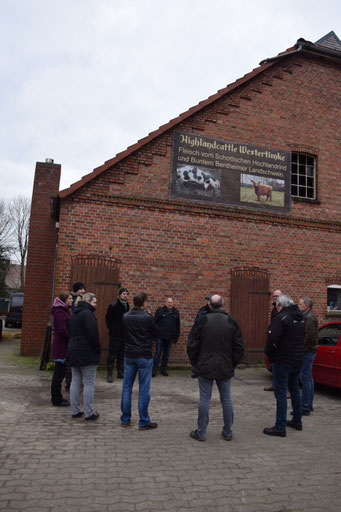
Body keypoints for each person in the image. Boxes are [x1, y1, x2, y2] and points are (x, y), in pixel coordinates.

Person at [187, 294, 244, 442]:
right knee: (226, 399)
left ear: (210, 305)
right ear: (222, 305)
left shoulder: (202, 320)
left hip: (205, 365)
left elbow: (192, 344)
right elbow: (239, 347)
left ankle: (201, 432)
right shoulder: (231, 322)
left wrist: (195, 363)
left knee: (205, 399)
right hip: (224, 366)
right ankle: (228, 431)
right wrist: (232, 363)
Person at [263, 294, 305, 437]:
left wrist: (268, 353)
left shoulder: (281, 318)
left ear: (280, 306)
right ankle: (297, 421)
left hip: (282, 360)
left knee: (280, 393)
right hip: (297, 360)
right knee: (294, 389)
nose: (276, 308)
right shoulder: (300, 318)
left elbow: (272, 338)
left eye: (277, 305)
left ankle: (280, 427)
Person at [120, 292, 159, 430]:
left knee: (126, 388)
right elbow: (156, 333)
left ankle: (125, 419)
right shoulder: (147, 317)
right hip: (144, 355)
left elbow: (122, 334)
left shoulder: (125, 317)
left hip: (129, 354)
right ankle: (143, 421)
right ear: (144, 303)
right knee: (143, 389)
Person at [68, 292, 101, 421]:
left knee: (75, 381)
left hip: (74, 349)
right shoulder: (88, 314)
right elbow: (93, 334)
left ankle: (75, 411)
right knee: (88, 383)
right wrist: (97, 348)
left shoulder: (74, 314)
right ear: (88, 302)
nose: (96, 305)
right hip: (87, 351)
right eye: (94, 302)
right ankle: (89, 413)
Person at [50, 291, 73, 406]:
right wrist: (70, 338)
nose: (72, 300)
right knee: (58, 375)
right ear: (64, 300)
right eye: (70, 298)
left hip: (62, 346)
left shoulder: (63, 310)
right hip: (61, 347)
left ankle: (57, 397)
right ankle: (56, 399)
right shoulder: (60, 312)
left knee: (59, 374)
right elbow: (62, 330)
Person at [298, 297, 318, 415]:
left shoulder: (309, 318)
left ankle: (305, 407)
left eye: (300, 304)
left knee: (305, 378)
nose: (298, 306)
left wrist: (302, 349)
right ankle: (308, 405)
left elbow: (309, 337)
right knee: (308, 378)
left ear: (307, 306)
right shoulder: (307, 316)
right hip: (309, 351)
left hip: (308, 351)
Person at [105, 287, 130, 382]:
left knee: (121, 354)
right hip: (115, 335)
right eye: (123, 294)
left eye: (126, 294)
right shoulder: (113, 305)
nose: (125, 295)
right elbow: (107, 319)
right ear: (119, 295)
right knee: (112, 355)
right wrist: (112, 329)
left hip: (124, 335)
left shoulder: (127, 305)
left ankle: (120, 372)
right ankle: (109, 374)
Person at [152, 297, 180, 377]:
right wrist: (154, 335)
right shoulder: (160, 311)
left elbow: (178, 325)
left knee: (166, 354)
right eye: (168, 302)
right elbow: (154, 323)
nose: (170, 304)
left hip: (170, 337)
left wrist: (176, 336)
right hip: (160, 336)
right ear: (165, 303)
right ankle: (154, 369)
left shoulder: (176, 312)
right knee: (157, 353)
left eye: (171, 302)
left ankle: (163, 369)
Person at [264, 289, 282, 392]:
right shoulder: (274, 309)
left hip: (279, 341)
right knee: (274, 363)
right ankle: (275, 384)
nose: (274, 297)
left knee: (281, 366)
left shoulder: (282, 309)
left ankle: (286, 389)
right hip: (273, 338)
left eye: (277, 296)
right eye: (273, 296)